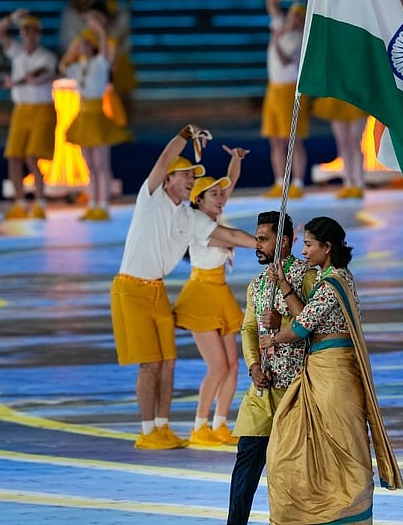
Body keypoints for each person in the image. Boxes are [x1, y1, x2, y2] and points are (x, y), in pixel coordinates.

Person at [111, 125, 257, 450]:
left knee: (168, 361)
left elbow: (230, 233)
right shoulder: (150, 199)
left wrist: (266, 246)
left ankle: (163, 427)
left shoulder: (191, 218)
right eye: (184, 173)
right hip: (130, 288)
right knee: (150, 364)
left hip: (157, 289)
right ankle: (148, 430)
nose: (190, 177)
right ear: (167, 180)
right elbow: (165, 158)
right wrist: (185, 135)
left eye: (193, 174)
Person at [261, 216, 403, 523]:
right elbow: (309, 319)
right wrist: (284, 284)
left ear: (327, 247)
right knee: (306, 445)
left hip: (334, 375)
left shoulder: (334, 281)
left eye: (309, 244)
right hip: (321, 370)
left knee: (340, 445)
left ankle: (344, 512)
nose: (304, 250)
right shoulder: (331, 279)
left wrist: (271, 338)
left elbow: (300, 328)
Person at [227, 210, 315, 525]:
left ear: (285, 241)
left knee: (292, 468)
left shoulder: (307, 277)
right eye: (257, 238)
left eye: (263, 239)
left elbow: (314, 324)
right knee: (246, 460)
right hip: (262, 389)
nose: (257, 245)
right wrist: (252, 366)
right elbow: (249, 329)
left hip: (296, 388)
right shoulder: (258, 284)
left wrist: (285, 320)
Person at [172, 144, 254, 447]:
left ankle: (220, 424)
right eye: (214, 195)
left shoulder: (214, 212)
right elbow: (233, 237)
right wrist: (265, 245)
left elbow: (229, 183)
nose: (221, 198)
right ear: (199, 199)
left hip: (219, 291)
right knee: (217, 366)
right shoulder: (200, 222)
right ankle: (199, 425)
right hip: (200, 294)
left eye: (221, 195)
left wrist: (235, 160)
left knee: (232, 366)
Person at [60, 14, 132, 220]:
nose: (79, 47)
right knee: (89, 166)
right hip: (82, 116)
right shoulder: (77, 68)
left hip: (97, 117)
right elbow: (63, 65)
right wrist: (74, 49)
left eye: (83, 44)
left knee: (101, 164)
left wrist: (98, 29)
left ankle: (104, 204)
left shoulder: (100, 64)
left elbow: (105, 51)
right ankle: (92, 204)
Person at [0, 8, 58, 219]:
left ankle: (40, 202)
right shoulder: (17, 52)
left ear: (39, 34)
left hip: (41, 110)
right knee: (14, 156)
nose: (29, 36)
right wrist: (12, 17)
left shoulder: (47, 57)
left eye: (33, 32)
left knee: (32, 157)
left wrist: (13, 82)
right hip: (21, 109)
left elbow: (35, 77)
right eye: (25, 31)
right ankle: (20, 203)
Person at [262, 0, 309, 199]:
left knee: (293, 139)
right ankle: (279, 182)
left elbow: (285, 60)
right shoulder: (280, 25)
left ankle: (298, 183)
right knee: (275, 139)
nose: (294, 19)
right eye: (293, 14)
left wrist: (276, 39)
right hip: (273, 89)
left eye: (299, 16)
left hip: (290, 91)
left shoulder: (300, 38)